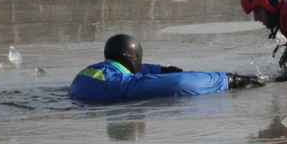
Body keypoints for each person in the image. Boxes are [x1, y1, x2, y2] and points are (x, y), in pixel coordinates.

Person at [69, 34, 265, 101]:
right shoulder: (125, 85)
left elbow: (139, 69)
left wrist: (162, 69)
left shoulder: (90, 72)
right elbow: (179, 83)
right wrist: (228, 79)